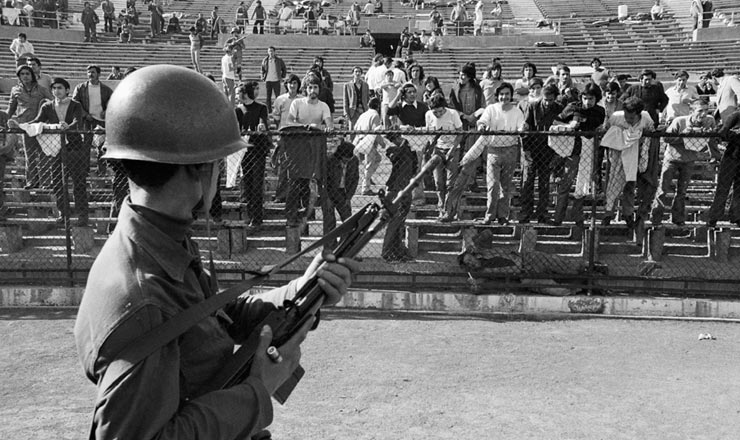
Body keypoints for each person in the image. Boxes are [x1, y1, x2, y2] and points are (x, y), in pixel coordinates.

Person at [73, 65, 359, 440]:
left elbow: (221, 316)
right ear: (197, 171)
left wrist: (304, 289)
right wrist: (258, 390)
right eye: (217, 162)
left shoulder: (159, 240)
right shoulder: (143, 298)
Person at [459, 82, 524, 225]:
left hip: (510, 150)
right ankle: (489, 215)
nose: (504, 97)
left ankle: (502, 216)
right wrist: (482, 126)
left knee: (505, 186)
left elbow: (521, 127)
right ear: (497, 96)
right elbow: (481, 122)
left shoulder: (517, 111)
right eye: (501, 94)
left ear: (511, 95)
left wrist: (522, 129)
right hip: (493, 150)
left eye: (507, 94)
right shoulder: (491, 109)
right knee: (493, 184)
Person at [28, 77, 88, 226]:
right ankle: (64, 213)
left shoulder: (75, 105)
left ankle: (82, 215)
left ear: (67, 90)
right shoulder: (47, 106)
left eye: (60, 88)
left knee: (78, 182)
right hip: (55, 148)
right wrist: (20, 124)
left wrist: (68, 126)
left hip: (74, 146)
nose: (57, 91)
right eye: (54, 88)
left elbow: (77, 122)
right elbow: (37, 120)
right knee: (57, 182)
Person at [651, 98, 717, 226]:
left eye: (706, 111)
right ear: (691, 111)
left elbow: (712, 139)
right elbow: (667, 139)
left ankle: (678, 218)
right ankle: (656, 217)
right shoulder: (679, 121)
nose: (703, 114)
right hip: (672, 158)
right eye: (700, 111)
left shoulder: (709, 121)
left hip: (689, 160)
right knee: (663, 189)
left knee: (682, 191)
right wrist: (684, 136)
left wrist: (711, 145)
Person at [551, 83, 605, 226]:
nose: (588, 102)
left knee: (583, 183)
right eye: (585, 98)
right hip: (572, 149)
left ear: (597, 99)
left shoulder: (600, 111)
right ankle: (558, 217)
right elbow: (557, 120)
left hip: (589, 147)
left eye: (591, 99)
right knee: (566, 182)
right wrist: (569, 125)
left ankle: (577, 217)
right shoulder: (573, 106)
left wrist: (581, 121)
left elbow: (595, 124)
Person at [286, 76, 333, 227]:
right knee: (295, 181)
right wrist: (306, 126)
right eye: (310, 87)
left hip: (316, 146)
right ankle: (292, 216)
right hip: (299, 147)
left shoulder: (323, 106)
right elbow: (289, 121)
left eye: (316, 88)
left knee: (316, 180)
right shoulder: (297, 103)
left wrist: (320, 127)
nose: (313, 91)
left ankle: (310, 214)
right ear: (305, 89)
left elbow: (329, 125)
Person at [600, 97, 654, 227]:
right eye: (627, 116)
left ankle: (628, 214)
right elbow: (607, 131)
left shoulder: (646, 118)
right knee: (612, 183)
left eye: (631, 118)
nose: (628, 120)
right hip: (617, 154)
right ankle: (608, 213)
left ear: (639, 114)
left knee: (629, 185)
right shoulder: (616, 117)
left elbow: (650, 132)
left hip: (634, 155)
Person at [519, 84, 562, 223]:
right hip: (532, 149)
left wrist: (557, 154)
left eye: (550, 100)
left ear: (555, 98)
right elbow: (525, 128)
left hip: (549, 150)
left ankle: (542, 213)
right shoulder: (532, 106)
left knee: (544, 184)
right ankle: (526, 213)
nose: (547, 102)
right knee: (527, 182)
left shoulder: (559, 109)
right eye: (545, 99)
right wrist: (526, 150)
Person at [7, 65, 52, 190]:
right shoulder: (15, 90)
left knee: (43, 154)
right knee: (30, 155)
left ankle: (46, 182)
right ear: (19, 76)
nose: (25, 76)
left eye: (27, 73)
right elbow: (11, 108)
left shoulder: (42, 89)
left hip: (40, 125)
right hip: (25, 126)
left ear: (32, 75)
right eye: (22, 74)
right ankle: (32, 181)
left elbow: (53, 102)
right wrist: (5, 120)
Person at [235, 81, 270, 231]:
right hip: (245, 151)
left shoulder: (261, 108)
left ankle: (257, 217)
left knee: (257, 183)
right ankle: (251, 215)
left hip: (258, 149)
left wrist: (262, 126)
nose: (238, 96)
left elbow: (263, 122)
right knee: (248, 183)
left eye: (240, 93)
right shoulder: (238, 110)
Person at [425, 94, 464, 218]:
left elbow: (460, 133)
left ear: (444, 108)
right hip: (438, 148)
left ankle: (449, 209)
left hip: (453, 148)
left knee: (450, 182)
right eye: (435, 112)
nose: (437, 114)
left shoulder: (453, 114)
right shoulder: (428, 115)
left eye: (440, 111)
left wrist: (452, 149)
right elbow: (430, 133)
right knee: (438, 181)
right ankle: (441, 207)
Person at [381, 132, 418, 262]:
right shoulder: (393, 150)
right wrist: (404, 144)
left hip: (406, 188)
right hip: (394, 189)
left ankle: (397, 251)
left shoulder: (409, 149)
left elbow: (414, 165)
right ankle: (386, 252)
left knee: (400, 222)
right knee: (394, 222)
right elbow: (395, 157)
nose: (395, 142)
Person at [72, 65, 114, 177]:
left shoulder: (105, 89)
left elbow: (113, 101)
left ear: (99, 74)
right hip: (87, 121)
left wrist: (106, 110)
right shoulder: (81, 88)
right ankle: (85, 170)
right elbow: (75, 103)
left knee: (101, 147)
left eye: (93, 72)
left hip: (101, 121)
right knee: (85, 145)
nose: (90, 74)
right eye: (89, 72)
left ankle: (102, 171)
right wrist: (85, 115)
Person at [706, 108, 740, 227]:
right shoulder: (736, 115)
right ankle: (714, 217)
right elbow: (722, 132)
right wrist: (735, 134)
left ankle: (736, 216)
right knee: (723, 186)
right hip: (732, 155)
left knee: (738, 189)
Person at [325, 139, 359, 233]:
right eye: (344, 160)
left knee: (348, 220)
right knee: (330, 221)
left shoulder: (354, 161)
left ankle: (346, 244)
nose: (346, 162)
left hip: (343, 193)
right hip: (330, 191)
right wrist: (326, 197)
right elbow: (324, 180)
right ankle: (330, 245)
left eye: (348, 160)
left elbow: (355, 179)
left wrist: (349, 197)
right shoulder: (330, 160)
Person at [353, 97, 384, 196]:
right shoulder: (375, 115)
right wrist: (382, 143)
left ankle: (367, 178)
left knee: (377, 159)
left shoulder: (364, 114)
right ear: (378, 106)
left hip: (359, 139)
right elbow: (376, 131)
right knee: (369, 164)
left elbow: (355, 127)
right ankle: (365, 187)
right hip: (368, 141)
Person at [261, 46, 287, 115]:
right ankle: (269, 110)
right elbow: (262, 69)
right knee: (268, 97)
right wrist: (263, 77)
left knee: (277, 97)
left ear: (274, 52)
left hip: (276, 80)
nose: (270, 52)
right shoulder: (265, 60)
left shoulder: (278, 60)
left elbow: (284, 68)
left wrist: (282, 76)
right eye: (269, 51)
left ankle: (277, 110)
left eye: (272, 51)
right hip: (268, 80)